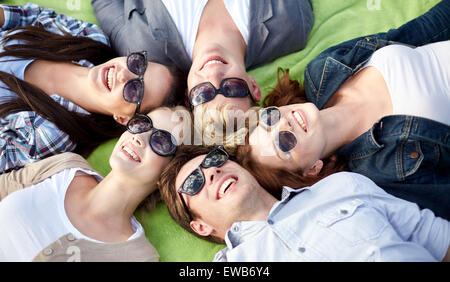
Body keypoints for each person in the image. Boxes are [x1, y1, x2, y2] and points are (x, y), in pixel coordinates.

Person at [237, 0, 450, 219]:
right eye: (284, 142)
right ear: (312, 169)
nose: (284, 123)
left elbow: (421, 30)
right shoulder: (383, 172)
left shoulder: (324, 71)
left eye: (269, 119)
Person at [158, 145, 450, 262]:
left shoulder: (341, 186)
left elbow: (437, 238)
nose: (211, 171)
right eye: (194, 183)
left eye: (214, 160)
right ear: (201, 225)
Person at [0, 3, 186, 173]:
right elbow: (25, 16)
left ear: (123, 119)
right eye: (138, 64)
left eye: (135, 90)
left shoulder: (53, 134)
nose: (123, 75)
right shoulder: (90, 37)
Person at [0, 105, 192, 262]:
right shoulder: (65, 166)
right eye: (142, 124)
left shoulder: (138, 256)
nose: (139, 138)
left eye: (161, 141)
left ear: (171, 174)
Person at [92, 0, 315, 115]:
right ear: (253, 86)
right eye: (232, 88)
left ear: (189, 97)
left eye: (204, 94)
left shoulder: (143, 49)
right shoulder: (291, 25)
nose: (214, 74)